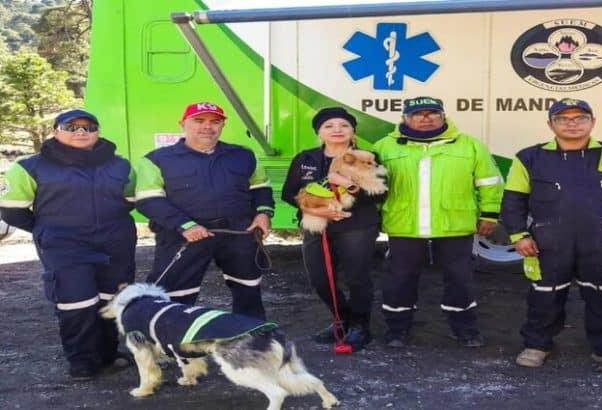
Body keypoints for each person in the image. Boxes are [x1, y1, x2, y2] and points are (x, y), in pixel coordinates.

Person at [500, 98, 602, 372]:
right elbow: (513, 200)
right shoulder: (529, 157)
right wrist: (519, 236)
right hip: (547, 241)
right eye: (563, 119)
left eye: (580, 118)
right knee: (544, 295)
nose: (572, 124)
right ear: (550, 124)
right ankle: (537, 345)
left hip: (601, 241)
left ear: (592, 122)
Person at [0, 109, 136, 381]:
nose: (81, 132)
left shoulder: (121, 165)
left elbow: (130, 200)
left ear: (97, 131)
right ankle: (82, 360)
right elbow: (12, 210)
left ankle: (109, 353)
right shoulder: (30, 167)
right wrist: (49, 229)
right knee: (76, 302)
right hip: (64, 246)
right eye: (71, 126)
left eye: (88, 126)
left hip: (115, 242)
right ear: (55, 131)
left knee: (112, 298)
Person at [372, 96, 503, 348]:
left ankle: (465, 329)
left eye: (432, 113)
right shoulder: (384, 147)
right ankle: (397, 330)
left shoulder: (469, 146)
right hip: (404, 226)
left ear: (443, 116)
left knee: (460, 279)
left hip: (455, 225)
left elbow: (489, 182)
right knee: (400, 279)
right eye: (418, 114)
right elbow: (373, 188)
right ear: (405, 118)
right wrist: (374, 218)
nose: (426, 118)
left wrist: (489, 214)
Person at [134, 102, 274, 319]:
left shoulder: (244, 156)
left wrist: (264, 213)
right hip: (184, 235)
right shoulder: (156, 159)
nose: (207, 127)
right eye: (199, 121)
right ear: (183, 124)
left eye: (215, 122)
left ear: (222, 125)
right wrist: (185, 225)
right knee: (175, 293)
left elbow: (261, 188)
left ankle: (253, 338)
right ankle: (175, 344)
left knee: (248, 288)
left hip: (238, 233)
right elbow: (148, 200)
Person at [281, 107, 385, 351]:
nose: (337, 130)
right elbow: (288, 193)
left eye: (344, 125)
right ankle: (341, 319)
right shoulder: (304, 158)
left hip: (357, 226)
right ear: (319, 132)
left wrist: (348, 184)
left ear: (353, 131)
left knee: (356, 278)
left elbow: (380, 194)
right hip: (315, 225)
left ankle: (360, 326)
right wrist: (315, 209)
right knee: (319, 279)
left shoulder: (368, 156)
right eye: (329, 126)